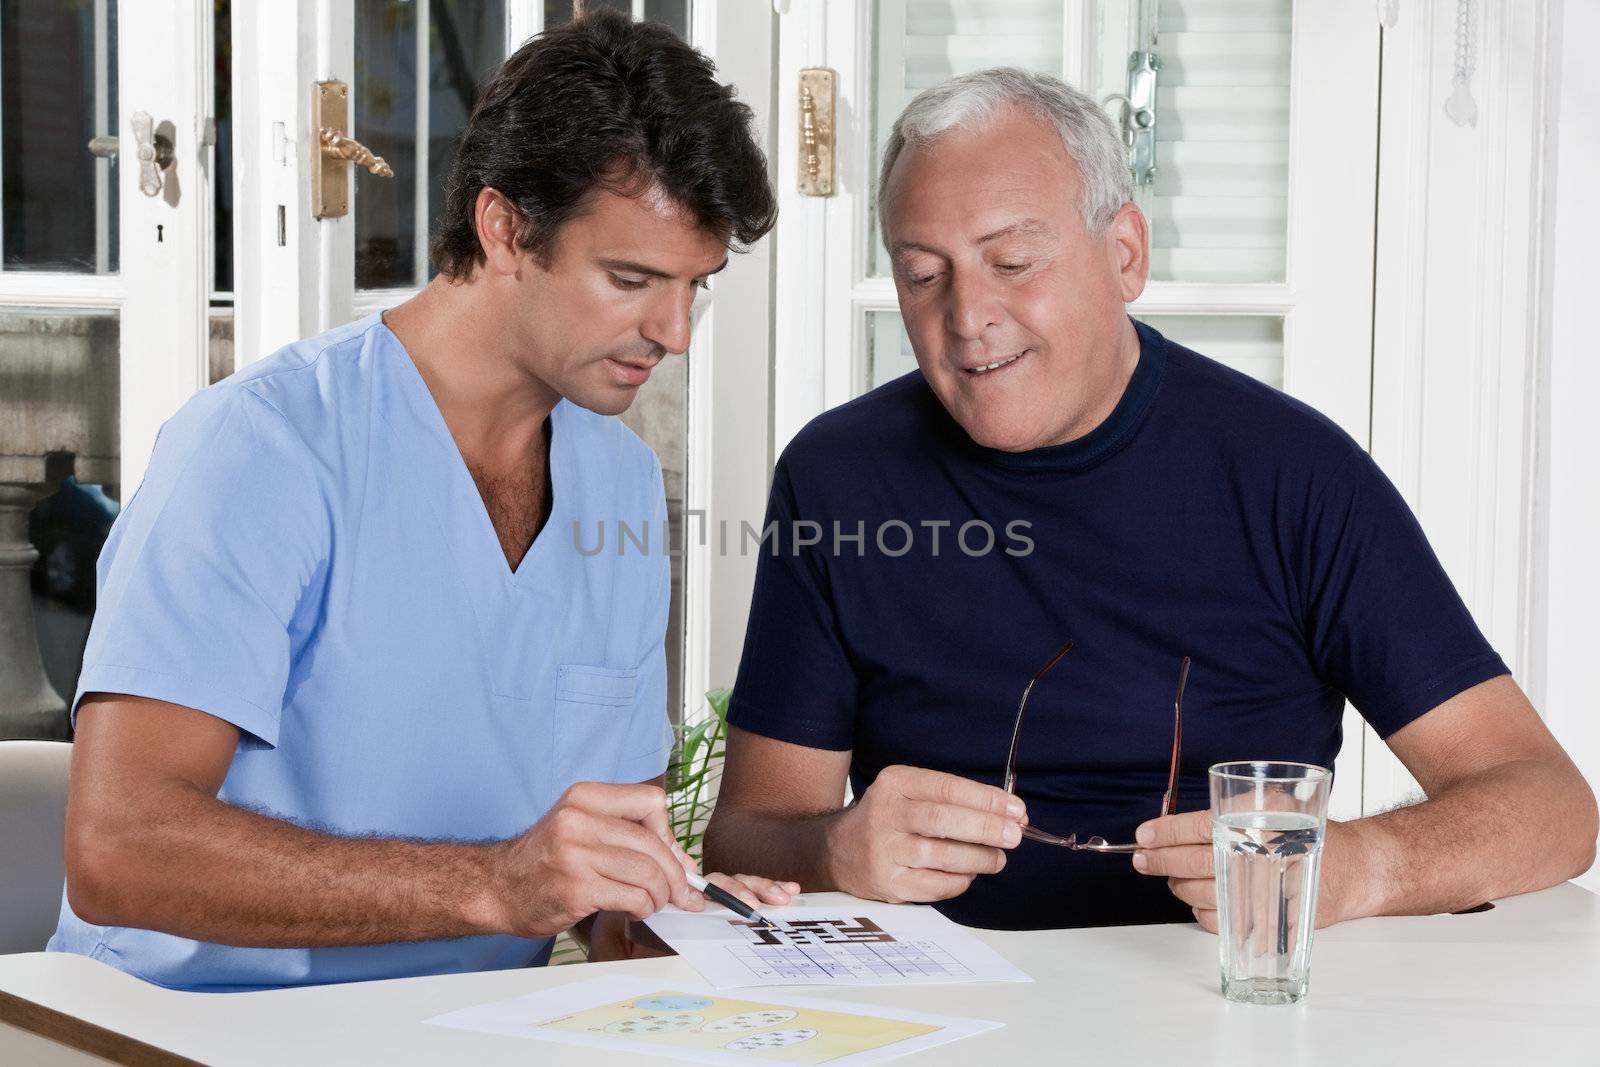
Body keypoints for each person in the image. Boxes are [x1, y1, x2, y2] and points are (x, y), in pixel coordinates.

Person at [702, 68, 1596, 931]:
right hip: (940, 1006)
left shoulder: (1294, 474)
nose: (967, 315)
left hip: (1224, 1003)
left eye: (1012, 260)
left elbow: (1551, 805)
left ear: (1124, 254)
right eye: (922, 275)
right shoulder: (837, 477)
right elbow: (746, 835)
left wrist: (1356, 866)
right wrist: (835, 851)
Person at [50, 12, 794, 992]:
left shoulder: (614, 482)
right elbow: (119, 847)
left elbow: (603, 890)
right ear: (505, 228)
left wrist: (687, 916)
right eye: (631, 279)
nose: (673, 331)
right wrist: (493, 885)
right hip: (180, 1029)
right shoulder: (263, 447)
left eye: (693, 286)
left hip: (467, 1033)